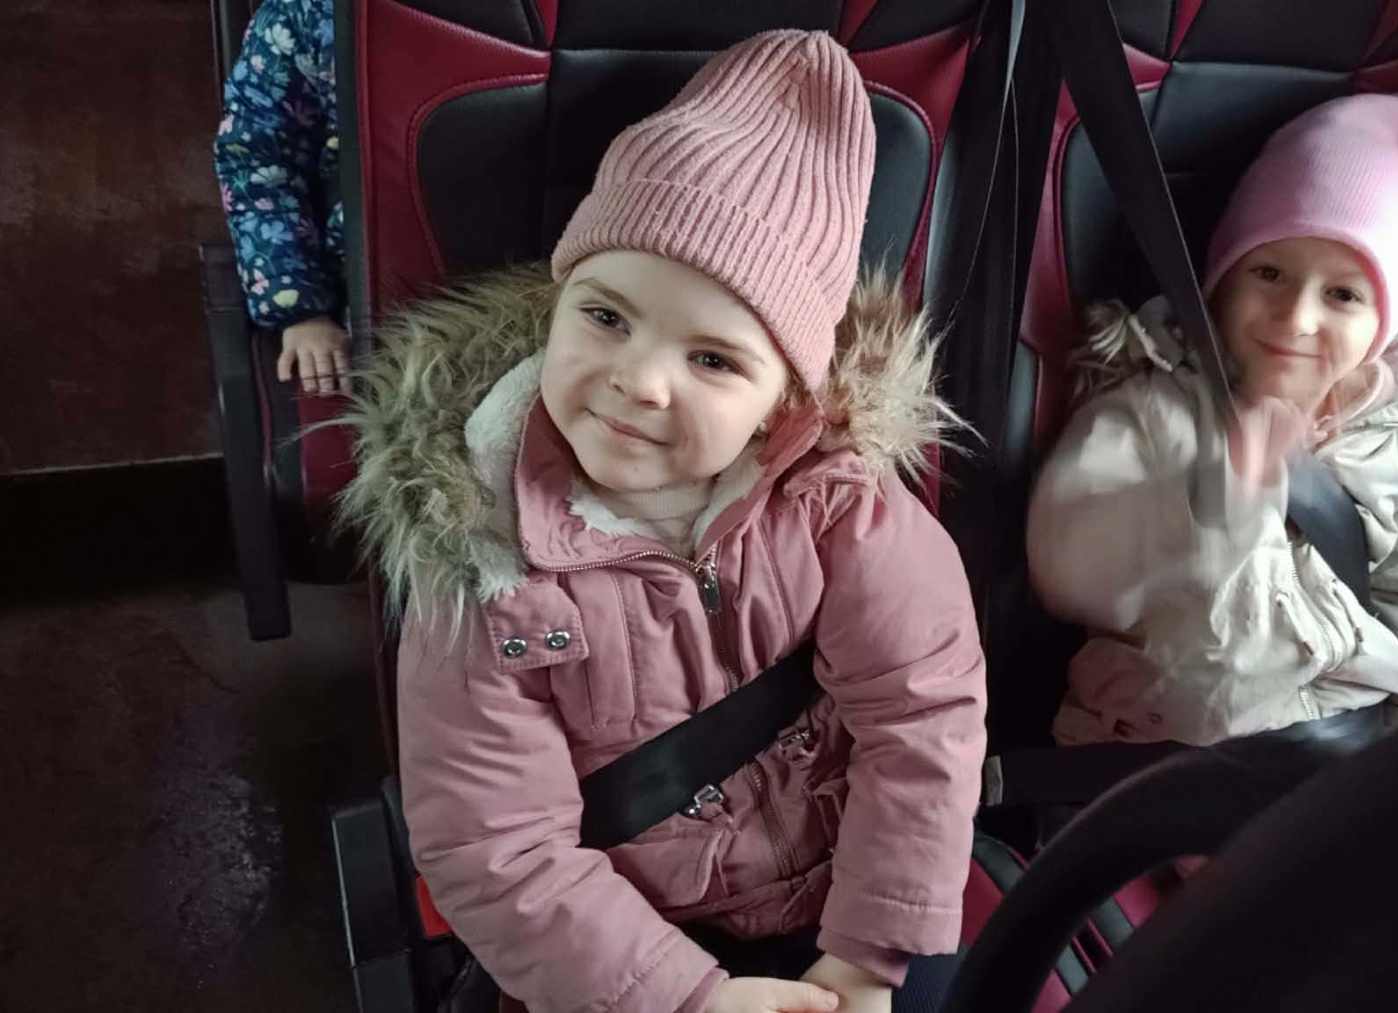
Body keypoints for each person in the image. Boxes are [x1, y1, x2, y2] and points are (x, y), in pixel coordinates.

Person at [338, 32, 986, 1013]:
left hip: (847, 902)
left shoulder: (844, 513)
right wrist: (689, 996)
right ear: (558, 305)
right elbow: (496, 845)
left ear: (783, 400)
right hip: (623, 949)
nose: (638, 380)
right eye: (605, 317)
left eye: (713, 359)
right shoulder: (476, 553)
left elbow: (922, 716)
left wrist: (865, 956)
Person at [1027, 91, 1398, 750]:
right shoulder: (1152, 407)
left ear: (1385, 325)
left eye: (1342, 294)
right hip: (1154, 747)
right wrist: (1217, 494)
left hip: (1331, 743)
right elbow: (1070, 574)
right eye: (1269, 273)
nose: (1297, 317)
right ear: (1222, 283)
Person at [213, 0, 350, 394]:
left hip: (501, 268)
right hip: (364, 290)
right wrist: (303, 311)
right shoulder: (301, 14)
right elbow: (258, 164)